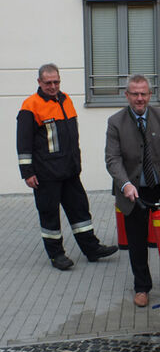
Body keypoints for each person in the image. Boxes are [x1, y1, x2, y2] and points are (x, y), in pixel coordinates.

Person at [16, 63, 118, 271]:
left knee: (80, 210)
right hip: (46, 174)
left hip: (70, 170)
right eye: (48, 83)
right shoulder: (30, 106)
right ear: (39, 82)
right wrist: (27, 173)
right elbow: (23, 143)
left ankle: (92, 249)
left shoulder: (66, 99)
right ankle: (56, 255)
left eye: (56, 82)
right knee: (49, 214)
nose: (53, 86)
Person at [105, 75, 160, 308]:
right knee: (137, 243)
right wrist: (125, 184)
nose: (139, 98)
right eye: (135, 94)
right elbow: (112, 159)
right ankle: (142, 287)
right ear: (127, 95)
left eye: (143, 94)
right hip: (133, 192)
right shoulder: (115, 122)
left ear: (150, 95)